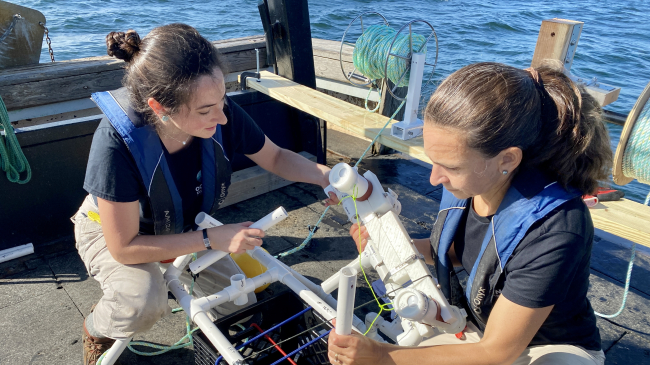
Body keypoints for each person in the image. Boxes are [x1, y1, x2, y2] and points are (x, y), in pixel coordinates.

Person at [71, 24, 333, 365]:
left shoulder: (220, 113)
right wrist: (211, 239)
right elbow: (124, 246)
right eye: (206, 110)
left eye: (222, 100)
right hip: (114, 235)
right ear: (159, 106)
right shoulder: (114, 145)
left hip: (183, 228)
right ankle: (97, 328)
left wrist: (325, 177)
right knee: (143, 302)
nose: (222, 117)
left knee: (239, 300)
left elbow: (276, 157)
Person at [328, 62, 612, 365]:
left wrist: (384, 356)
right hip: (485, 329)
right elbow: (455, 251)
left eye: (450, 167)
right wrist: (390, 245)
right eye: (433, 160)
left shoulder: (556, 229)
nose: (434, 179)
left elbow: (497, 352)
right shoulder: (477, 179)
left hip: (548, 349)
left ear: (508, 159)